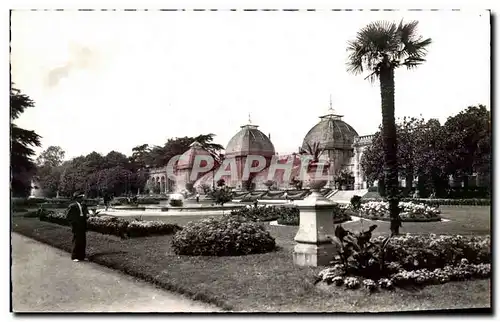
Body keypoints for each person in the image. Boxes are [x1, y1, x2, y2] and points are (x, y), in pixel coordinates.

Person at [66, 192, 89, 262]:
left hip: (82, 224)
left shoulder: (83, 205)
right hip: (76, 225)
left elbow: (85, 213)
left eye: (82, 197)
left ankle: (82, 256)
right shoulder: (72, 206)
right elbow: (68, 216)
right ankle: (74, 256)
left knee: (83, 241)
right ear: (76, 198)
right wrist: (73, 224)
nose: (82, 199)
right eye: (80, 197)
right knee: (76, 241)